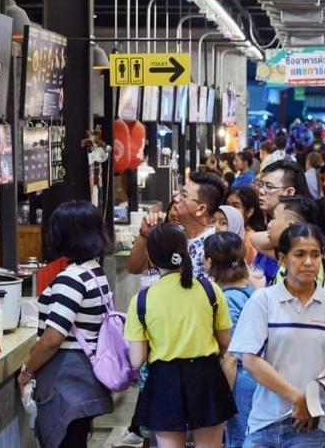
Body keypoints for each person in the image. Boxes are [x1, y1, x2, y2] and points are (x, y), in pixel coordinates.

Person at [229, 223, 325, 447]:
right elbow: (251, 361)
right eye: (299, 254)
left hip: (315, 426)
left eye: (315, 255)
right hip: (265, 423)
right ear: (282, 259)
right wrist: (297, 398)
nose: (308, 262)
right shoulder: (263, 301)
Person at [125, 225, 235, 448]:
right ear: (186, 251)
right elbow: (226, 341)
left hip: (164, 380)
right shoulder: (210, 289)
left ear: (150, 257)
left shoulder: (142, 300)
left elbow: (136, 359)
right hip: (207, 377)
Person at [18, 201, 114, 448]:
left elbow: (52, 339)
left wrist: (27, 371)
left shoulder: (72, 278)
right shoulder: (94, 271)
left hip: (68, 381)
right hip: (85, 379)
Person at [205, 232, 257, 448]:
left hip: (242, 382)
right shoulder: (250, 290)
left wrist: (222, 398)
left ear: (209, 262)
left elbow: (231, 356)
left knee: (239, 440)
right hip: (257, 378)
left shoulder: (227, 299)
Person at [128, 172, 225, 285]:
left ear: (201, 209)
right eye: (179, 193)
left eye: (184, 196)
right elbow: (134, 268)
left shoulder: (218, 246)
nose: (176, 199)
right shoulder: (172, 237)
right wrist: (145, 234)